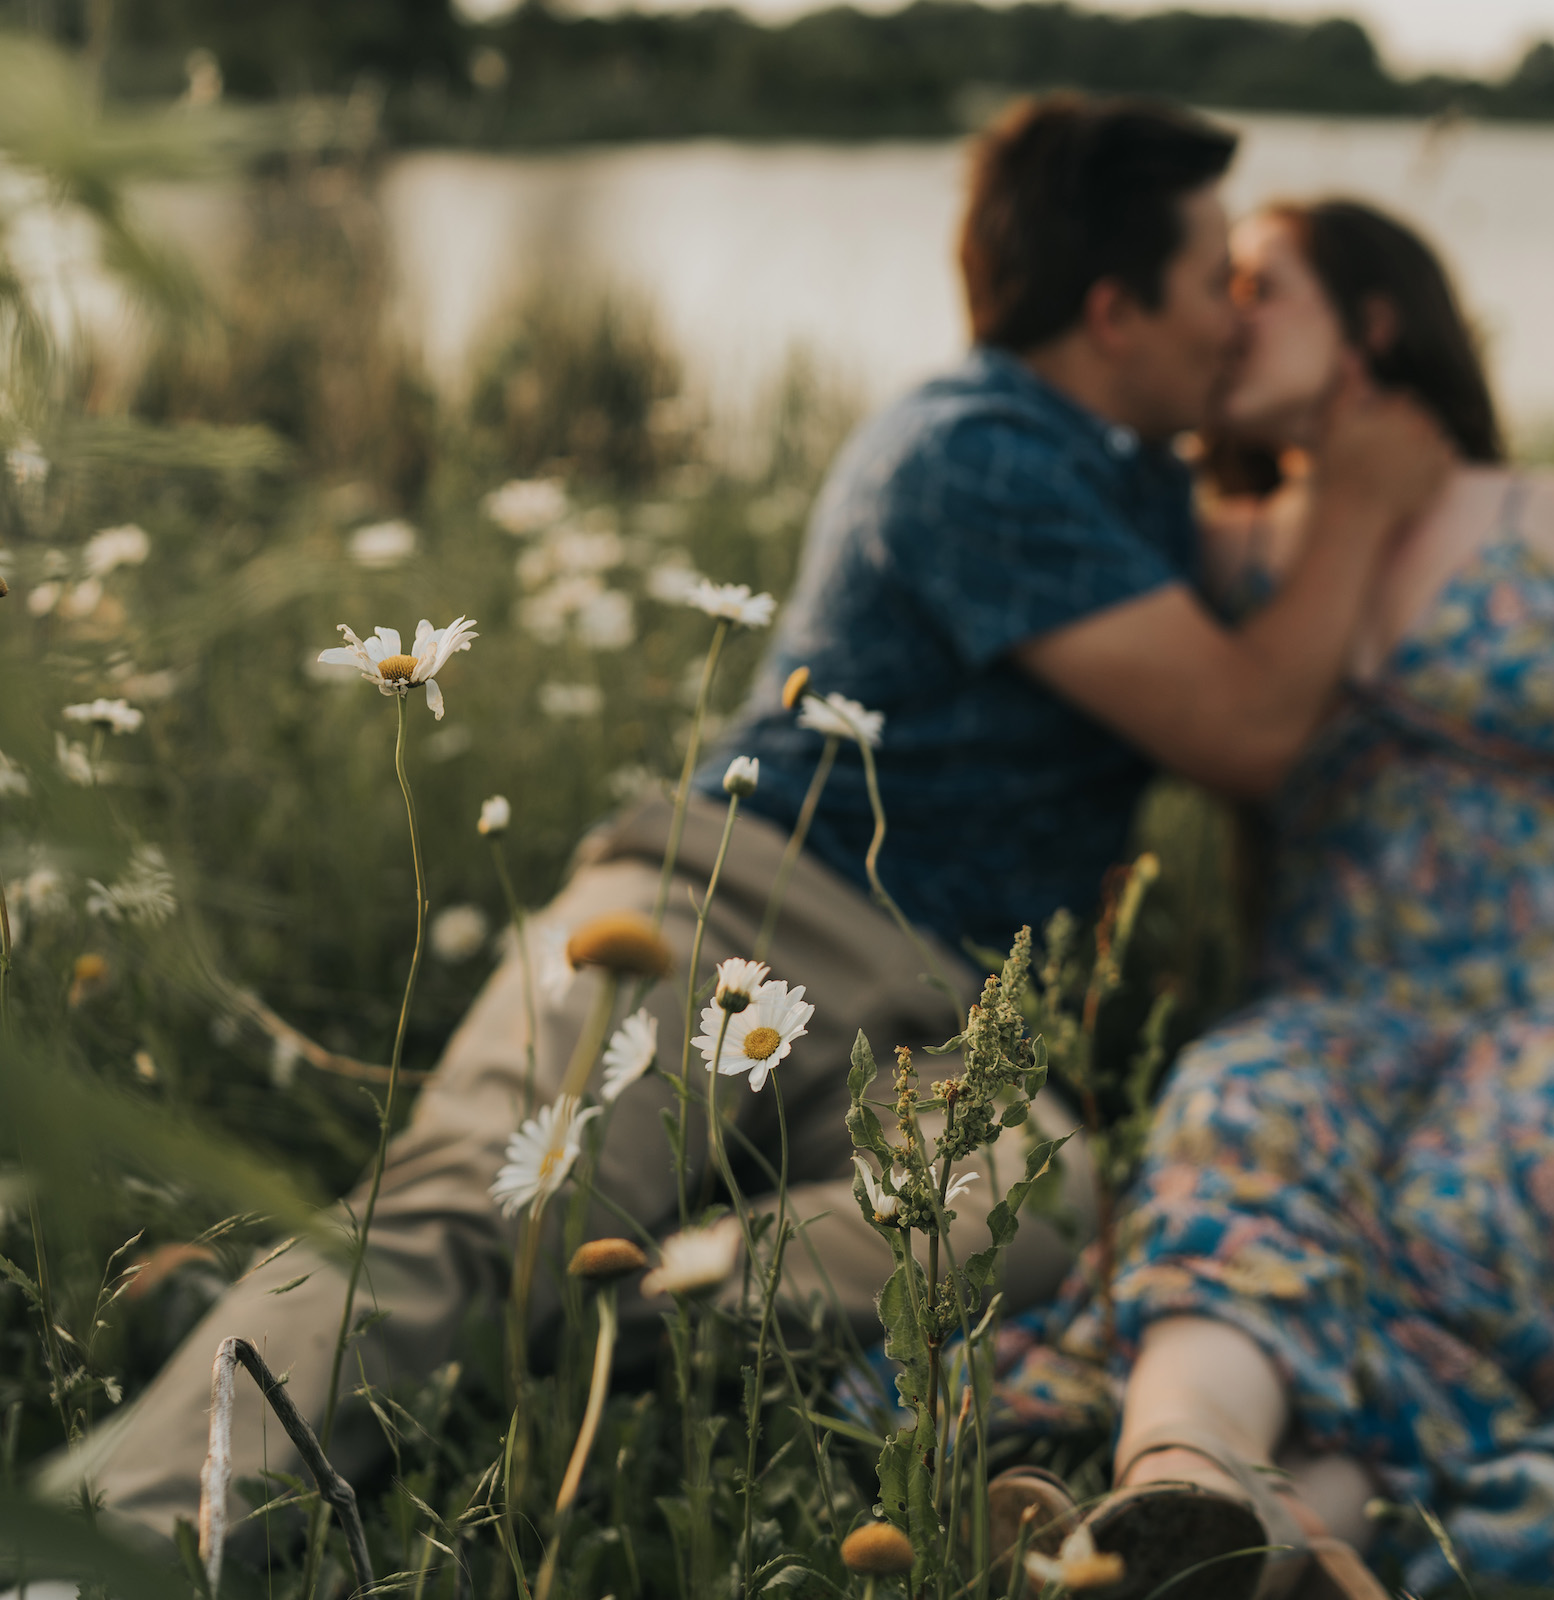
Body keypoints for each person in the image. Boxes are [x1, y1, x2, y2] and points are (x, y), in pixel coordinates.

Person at [66, 101, 1449, 1561]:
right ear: (1115, 308)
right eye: (1216, 283)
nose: (1233, 325)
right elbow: (1248, 726)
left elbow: (1287, 622)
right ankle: (103, 1549)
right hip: (727, 909)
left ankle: (586, 1325)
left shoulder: (1133, 480)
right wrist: (1357, 490)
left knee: (1036, 1202)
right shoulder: (973, 450)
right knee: (492, 1201)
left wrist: (1338, 424)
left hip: (938, 1009)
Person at [995, 200, 1554, 1597]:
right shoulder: (1220, 544)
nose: (1227, 313)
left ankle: (1286, 1520)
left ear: (1371, 320)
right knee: (1233, 1117)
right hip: (1345, 994)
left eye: (1263, 286)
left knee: (1465, 1209)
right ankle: (1180, 1484)